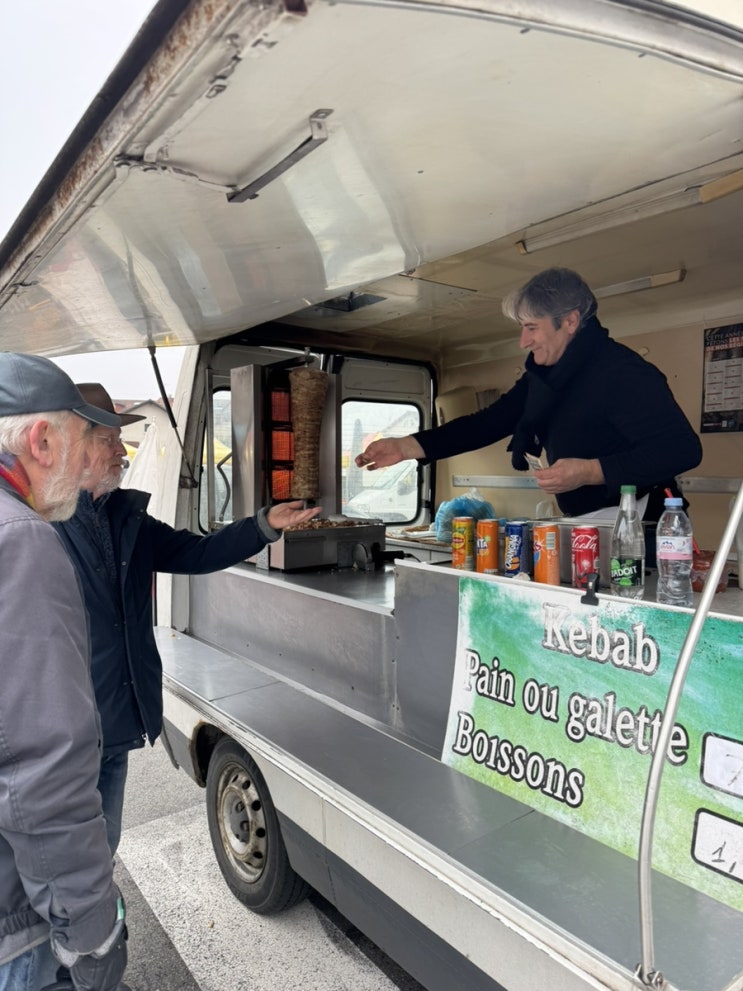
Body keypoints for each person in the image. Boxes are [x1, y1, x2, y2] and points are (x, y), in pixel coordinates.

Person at [53, 383, 321, 857]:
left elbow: (196, 552)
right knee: (59, 855)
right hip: (63, 732)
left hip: (115, 721)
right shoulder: (37, 526)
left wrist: (263, 525)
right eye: (109, 440)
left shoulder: (125, 517)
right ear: (74, 441)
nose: (122, 451)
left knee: (101, 845)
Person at [356, 267, 702, 520]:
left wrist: (590, 471)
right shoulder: (544, 378)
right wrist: (407, 446)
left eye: (532, 328)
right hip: (587, 523)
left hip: (644, 524)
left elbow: (682, 449)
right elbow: (489, 423)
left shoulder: (623, 372)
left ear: (570, 322)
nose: (524, 341)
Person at [0, 354, 129, 991]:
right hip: (16, 922)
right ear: (42, 441)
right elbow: (39, 763)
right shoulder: (21, 537)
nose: (85, 466)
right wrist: (91, 931)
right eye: (84, 441)